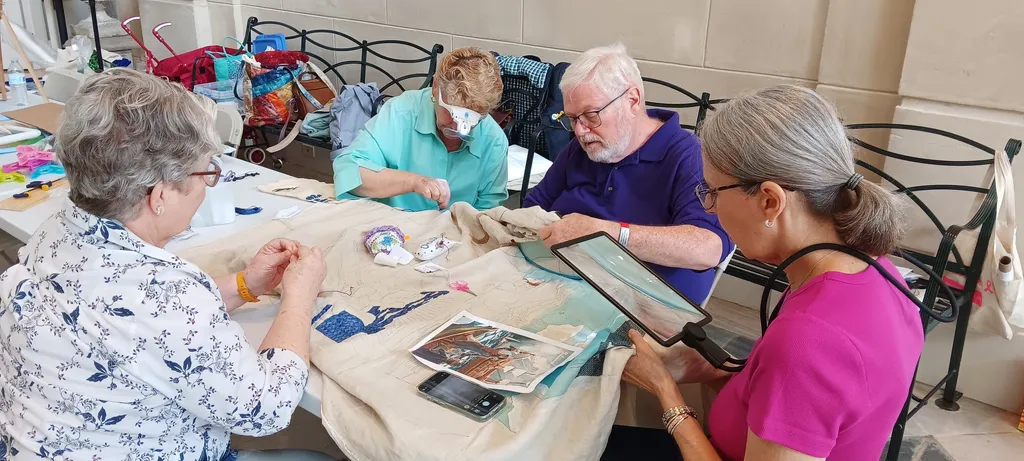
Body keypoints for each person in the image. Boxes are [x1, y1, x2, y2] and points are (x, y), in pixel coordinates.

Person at [0, 69, 333, 461]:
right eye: (205, 173)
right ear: (159, 195)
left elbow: (128, 323)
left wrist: (246, 284)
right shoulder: (166, 294)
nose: (208, 186)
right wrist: (299, 296)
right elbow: (265, 409)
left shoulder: (56, 230)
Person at [607, 85, 924, 461]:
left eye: (712, 191)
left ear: (770, 201)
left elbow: (803, 371)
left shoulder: (809, 341)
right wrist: (719, 370)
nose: (710, 209)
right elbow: (808, 402)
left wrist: (664, 391)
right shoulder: (878, 270)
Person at [523, 43, 732, 304]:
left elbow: (707, 249)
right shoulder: (581, 148)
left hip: (644, 304)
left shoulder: (687, 155)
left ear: (632, 100)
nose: (579, 131)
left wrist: (606, 233)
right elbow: (532, 209)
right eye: (573, 118)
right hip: (565, 282)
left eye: (590, 115)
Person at [332, 47, 509, 212]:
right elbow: (349, 171)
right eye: (451, 113)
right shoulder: (401, 113)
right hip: (395, 228)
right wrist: (414, 182)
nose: (458, 128)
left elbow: (488, 213)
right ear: (435, 88)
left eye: (472, 120)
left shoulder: (493, 140)